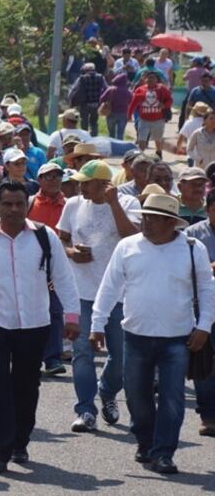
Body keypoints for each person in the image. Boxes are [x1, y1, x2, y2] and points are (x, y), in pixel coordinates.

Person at [0, 180, 81, 474]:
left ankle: (19, 442)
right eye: (7, 204)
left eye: (19, 204)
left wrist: (72, 316)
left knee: (26, 386)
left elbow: (63, 277)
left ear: (27, 205)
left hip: (35, 323)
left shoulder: (44, 237)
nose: (13, 209)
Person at [91, 193, 215, 475]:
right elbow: (109, 287)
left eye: (153, 218)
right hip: (135, 336)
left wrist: (204, 327)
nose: (145, 222)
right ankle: (145, 442)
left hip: (178, 338)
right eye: (144, 217)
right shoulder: (127, 246)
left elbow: (207, 291)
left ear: (171, 222)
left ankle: (163, 453)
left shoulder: (192, 248)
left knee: (173, 398)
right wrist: (97, 324)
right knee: (137, 396)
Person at [55, 161, 140, 433]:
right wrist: (71, 253)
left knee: (122, 356)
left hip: (118, 295)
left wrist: (114, 204)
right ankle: (85, 410)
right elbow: (61, 239)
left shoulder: (127, 203)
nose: (80, 187)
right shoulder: (73, 204)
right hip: (80, 292)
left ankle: (107, 390)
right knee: (82, 353)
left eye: (86, 182)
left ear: (105, 185)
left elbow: (134, 237)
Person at [183, 189, 215, 436]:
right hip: (203, 307)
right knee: (205, 363)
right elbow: (184, 268)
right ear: (207, 210)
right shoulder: (193, 235)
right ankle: (208, 415)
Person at [128, 71, 173, 157]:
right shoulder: (140, 89)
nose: (151, 79)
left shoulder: (162, 89)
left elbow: (170, 100)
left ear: (156, 80)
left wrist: (164, 105)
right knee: (142, 141)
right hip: (144, 120)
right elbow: (133, 103)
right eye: (149, 77)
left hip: (158, 120)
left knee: (158, 140)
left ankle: (159, 152)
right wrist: (129, 115)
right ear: (145, 79)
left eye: (153, 78)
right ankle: (139, 157)